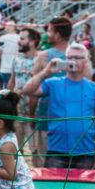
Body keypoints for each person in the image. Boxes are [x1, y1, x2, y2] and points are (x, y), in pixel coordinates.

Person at [23, 42, 95, 170]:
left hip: (85, 151)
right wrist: (45, 72)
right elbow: (27, 90)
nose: (73, 61)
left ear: (85, 61)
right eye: (70, 57)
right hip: (56, 150)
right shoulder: (52, 83)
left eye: (77, 58)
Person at [29, 17, 74, 165]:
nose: (47, 34)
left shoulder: (44, 56)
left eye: (49, 30)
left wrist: (31, 115)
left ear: (58, 34)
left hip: (47, 117)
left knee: (43, 163)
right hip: (72, 118)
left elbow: (33, 89)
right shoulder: (78, 55)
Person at [7, 28, 39, 148]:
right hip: (17, 113)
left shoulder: (40, 60)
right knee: (16, 150)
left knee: (36, 150)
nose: (18, 42)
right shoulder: (16, 60)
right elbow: (12, 80)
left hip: (34, 114)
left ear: (31, 42)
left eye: (22, 38)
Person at [0, 21, 20, 85]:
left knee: (6, 88)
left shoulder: (2, 38)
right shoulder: (19, 38)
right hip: (16, 67)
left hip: (4, 67)